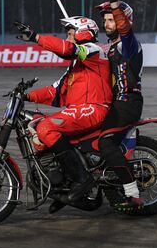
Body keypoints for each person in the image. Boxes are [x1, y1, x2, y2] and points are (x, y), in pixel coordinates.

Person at [14, 17, 112, 208]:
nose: (67, 37)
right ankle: (62, 184)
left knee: (45, 128)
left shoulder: (95, 51)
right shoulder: (75, 66)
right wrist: (25, 96)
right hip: (78, 111)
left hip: (94, 108)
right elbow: (55, 93)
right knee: (34, 123)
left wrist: (36, 37)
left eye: (70, 33)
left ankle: (82, 179)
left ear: (83, 32)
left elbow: (68, 50)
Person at [95, 0, 145, 211]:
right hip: (112, 104)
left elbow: (124, 29)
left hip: (127, 104)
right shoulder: (110, 47)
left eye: (111, 19)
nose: (107, 23)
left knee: (105, 144)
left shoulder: (130, 44)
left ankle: (132, 192)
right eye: (105, 20)